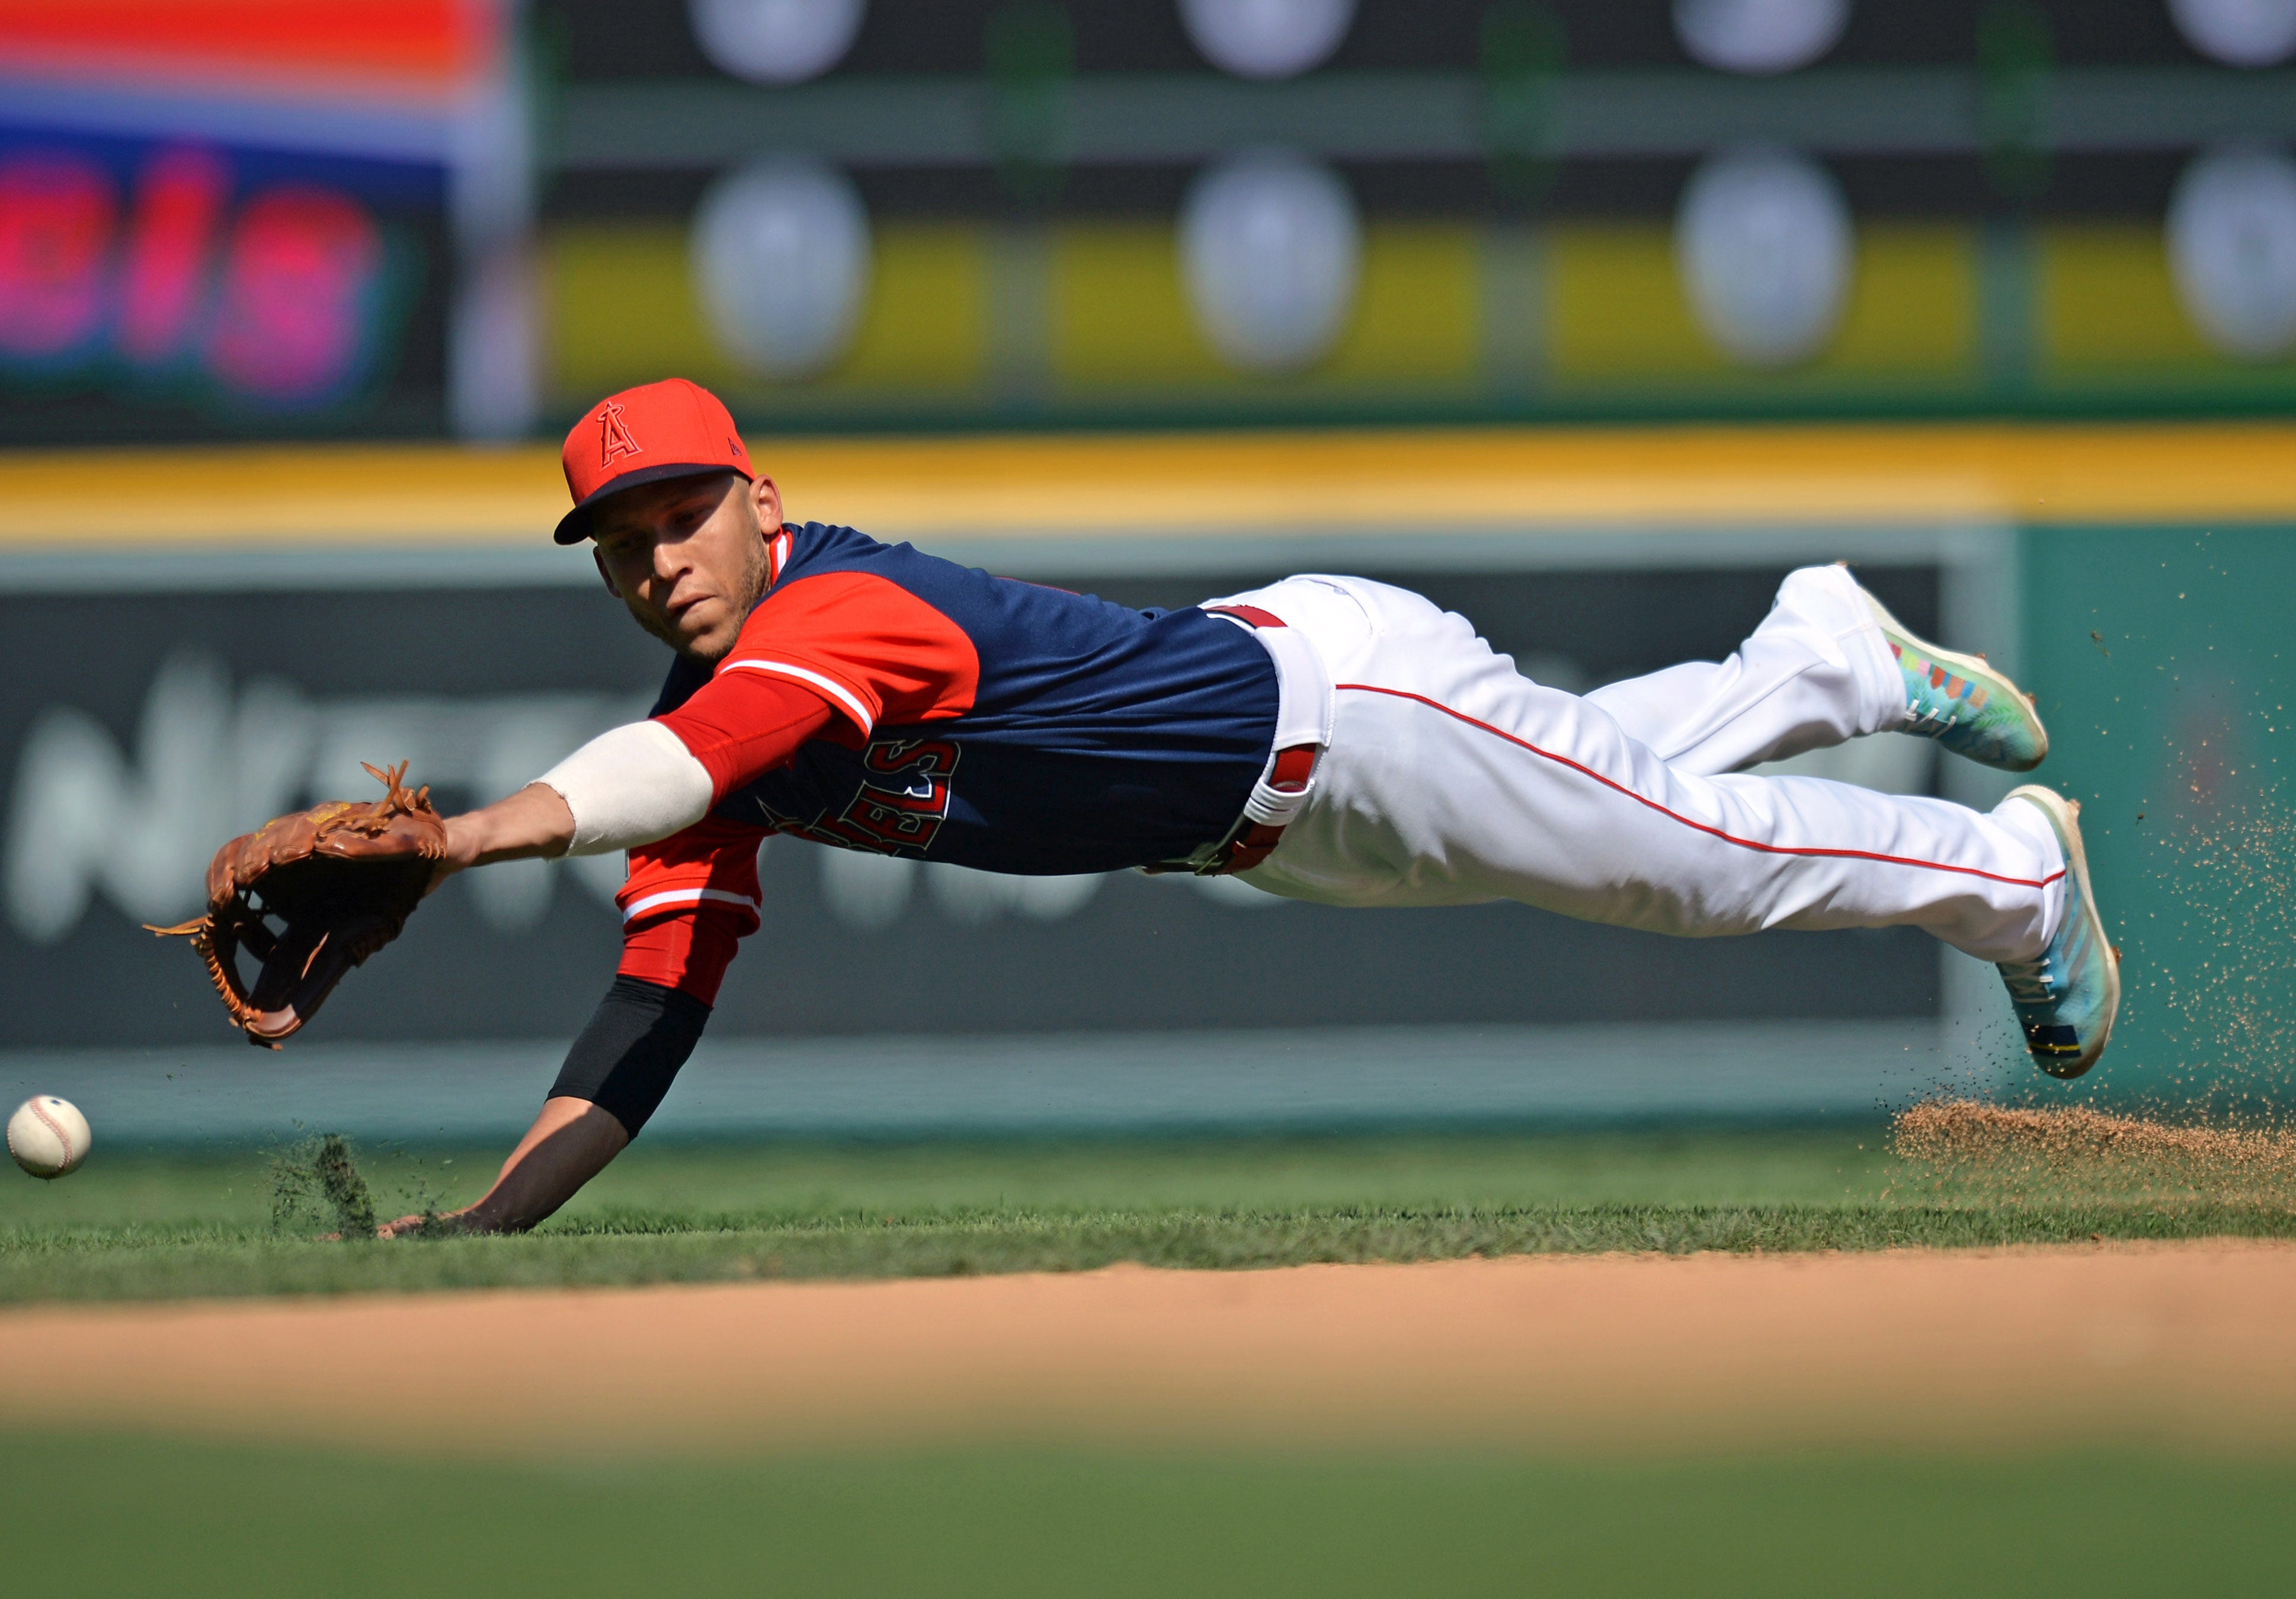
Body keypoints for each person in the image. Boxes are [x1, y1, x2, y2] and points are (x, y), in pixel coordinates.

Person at [392, 378, 2118, 1235]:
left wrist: (471, 835)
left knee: (1686, 871)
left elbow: (682, 768)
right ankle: (1822, 659)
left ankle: (2015, 883)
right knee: (1608, 784)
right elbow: (649, 1014)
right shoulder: (706, 723)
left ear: (762, 500)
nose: (655, 562)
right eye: (621, 545)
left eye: (681, 515)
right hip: (1288, 830)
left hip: (1352, 712)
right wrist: (484, 1228)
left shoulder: (827, 615)